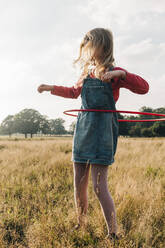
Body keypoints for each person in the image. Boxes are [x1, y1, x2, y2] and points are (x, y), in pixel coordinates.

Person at [37, 28, 149, 242]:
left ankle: (113, 233)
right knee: (78, 182)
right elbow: (73, 92)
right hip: (83, 129)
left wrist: (122, 75)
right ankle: (81, 224)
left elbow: (144, 88)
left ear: (103, 46)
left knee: (99, 186)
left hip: (102, 132)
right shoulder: (87, 72)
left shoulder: (114, 73)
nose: (86, 47)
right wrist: (51, 87)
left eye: (90, 43)